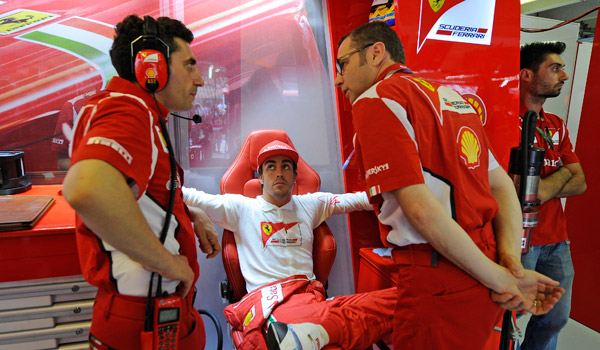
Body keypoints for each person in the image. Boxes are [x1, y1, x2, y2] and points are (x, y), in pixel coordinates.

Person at [273, 21, 567, 350]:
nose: (338, 78)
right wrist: (509, 263)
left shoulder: (376, 100)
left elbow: (420, 210)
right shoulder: (453, 99)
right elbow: (501, 188)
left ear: (375, 53)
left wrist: (501, 277)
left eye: (342, 65)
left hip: (439, 275)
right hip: (482, 267)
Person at [62, 15, 221, 349]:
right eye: (189, 65)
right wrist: (169, 264)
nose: (199, 79)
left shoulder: (135, 112)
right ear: (152, 65)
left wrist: (188, 213)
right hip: (145, 316)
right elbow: (87, 188)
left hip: (149, 311)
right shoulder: (128, 110)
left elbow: (140, 192)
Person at [182, 140, 396, 350]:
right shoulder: (241, 208)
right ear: (260, 178)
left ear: (295, 177)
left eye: (286, 166)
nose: (279, 172)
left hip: (311, 297)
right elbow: (186, 196)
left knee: (402, 298)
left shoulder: (311, 204)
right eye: (270, 166)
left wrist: (401, 194)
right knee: (343, 325)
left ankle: (319, 331)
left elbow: (359, 200)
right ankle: (323, 330)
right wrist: (195, 213)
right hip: (270, 302)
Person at [518, 41, 587, 350]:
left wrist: (544, 187)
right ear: (526, 76)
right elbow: (518, 191)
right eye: (555, 68)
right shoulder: (504, 119)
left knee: (556, 317)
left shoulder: (555, 125)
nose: (565, 75)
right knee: (504, 317)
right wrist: (561, 175)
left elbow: (580, 182)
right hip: (518, 240)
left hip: (556, 241)